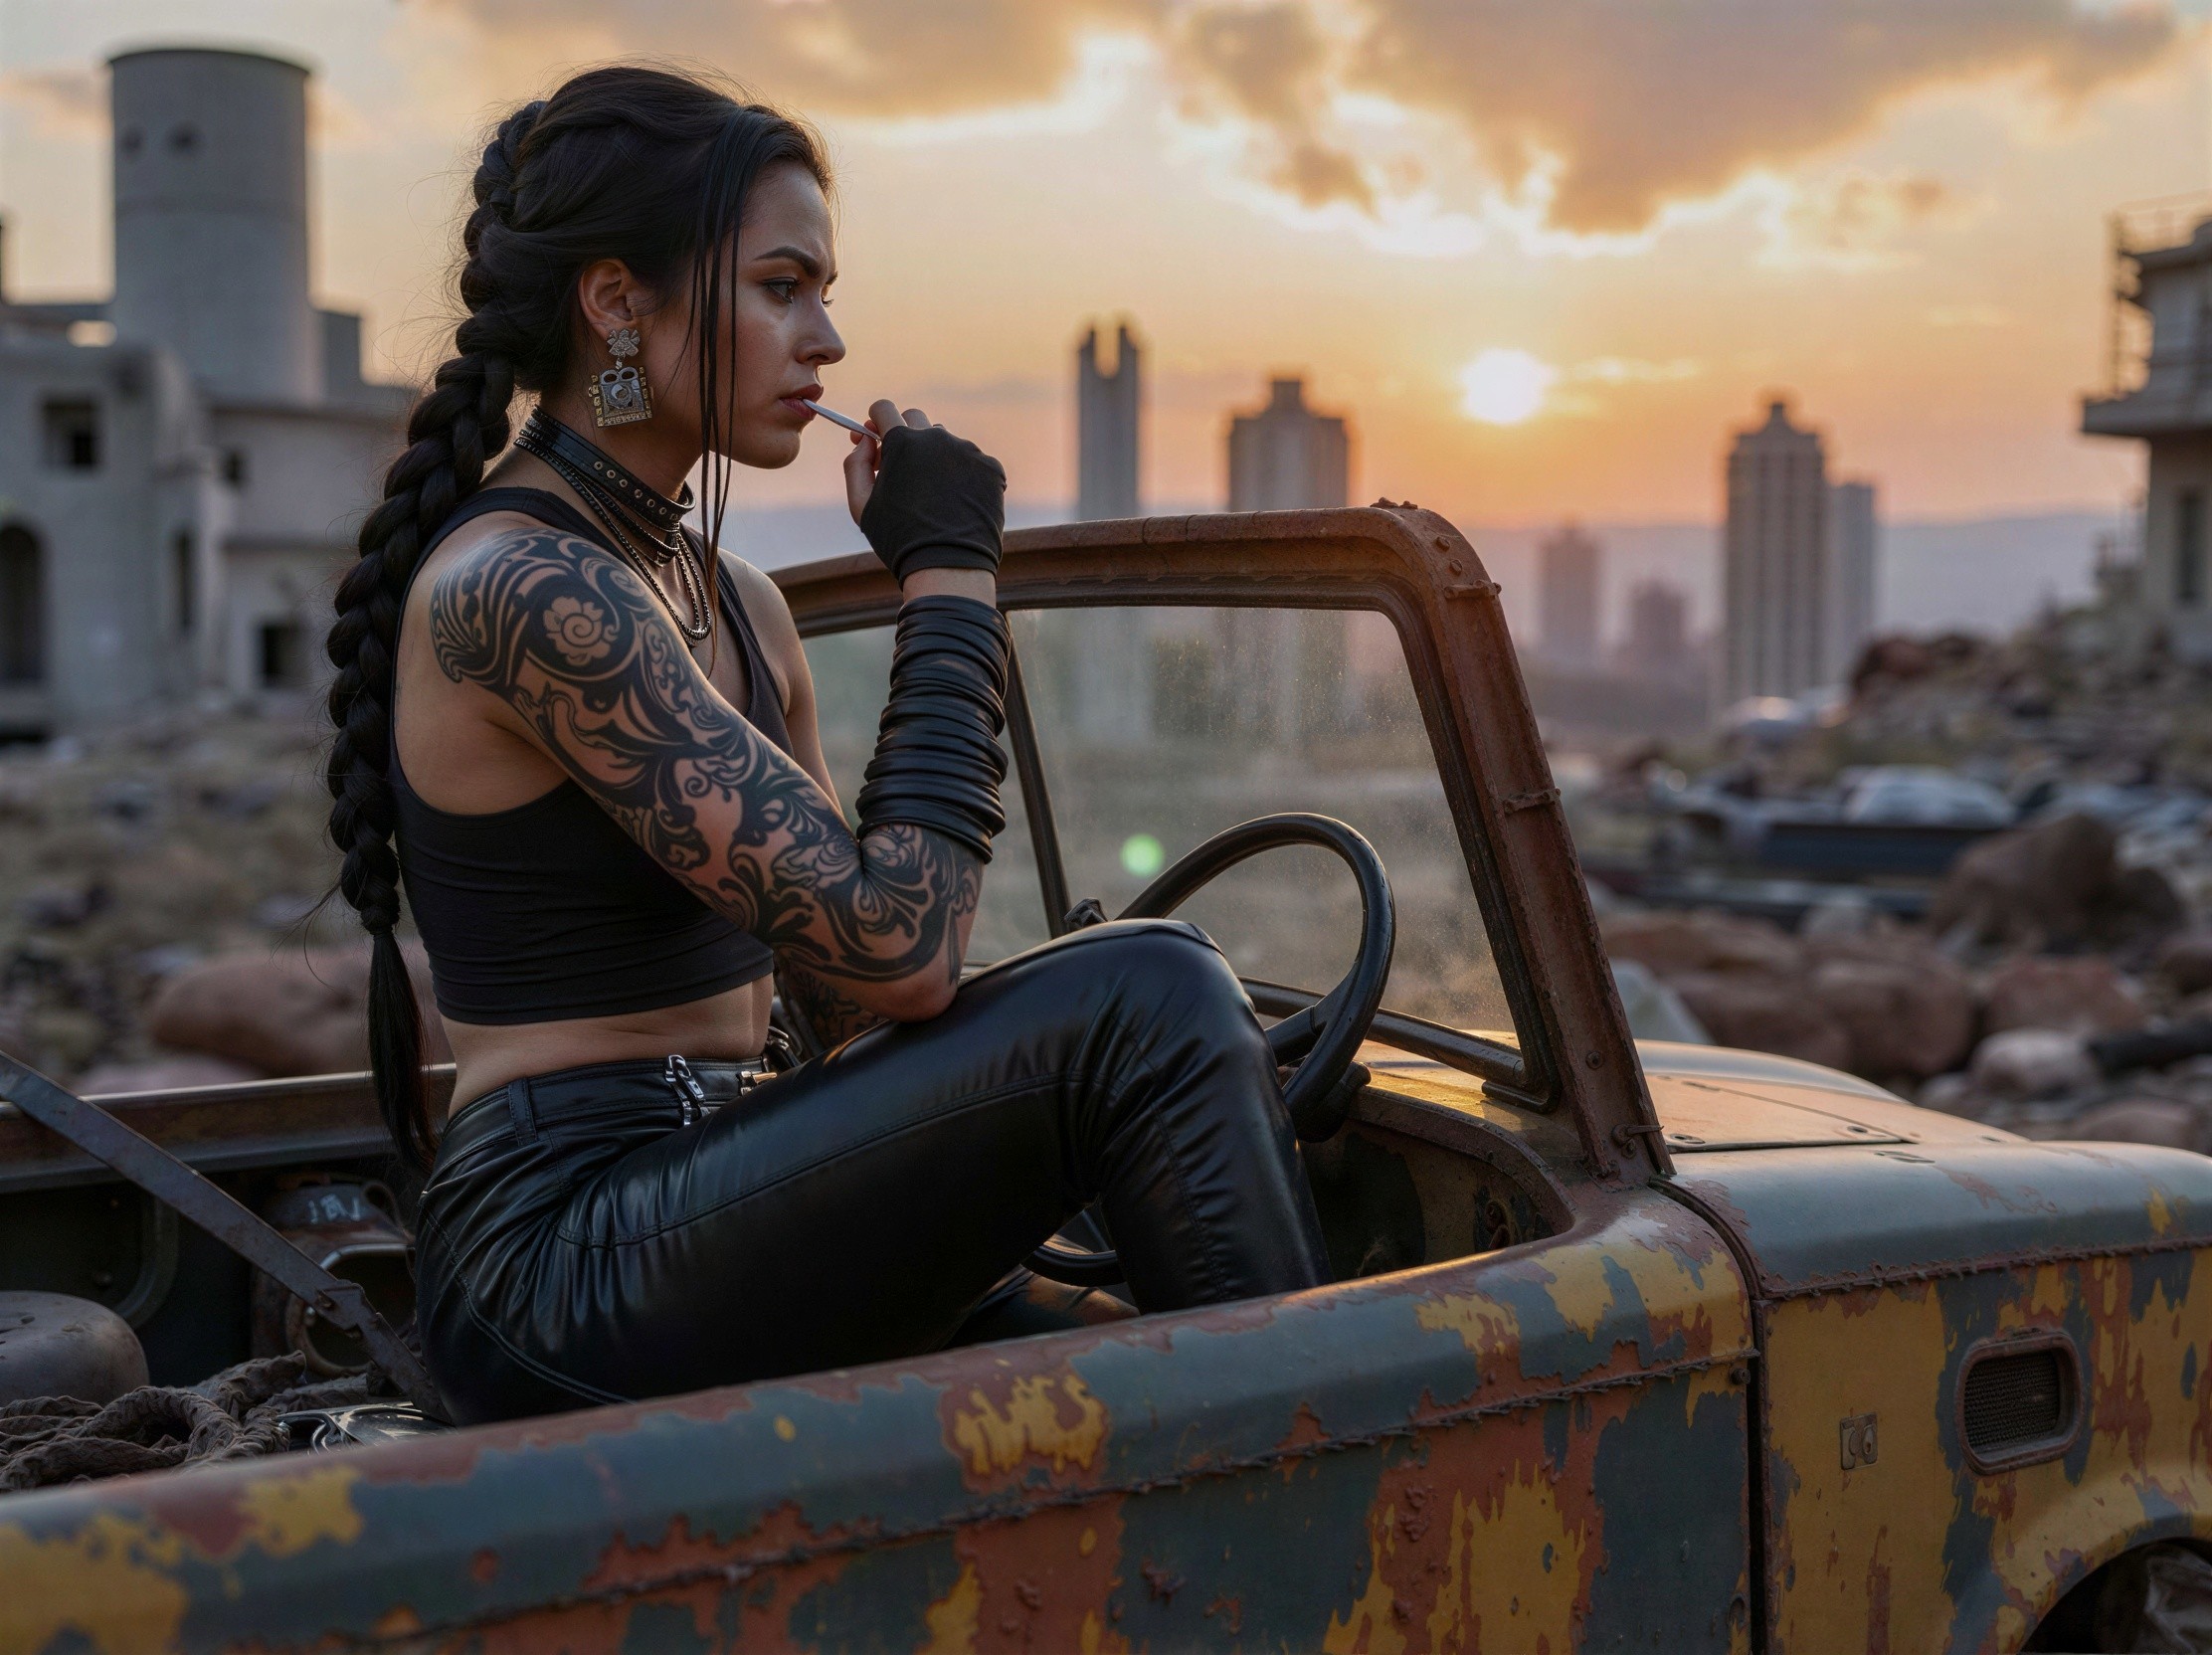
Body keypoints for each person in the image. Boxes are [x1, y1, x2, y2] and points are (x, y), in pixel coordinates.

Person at [322, 65, 1327, 1424]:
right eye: (782, 287)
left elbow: (852, 1007)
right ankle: (1326, 1502)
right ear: (617, 303)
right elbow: (902, 954)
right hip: (563, 1259)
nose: (830, 339)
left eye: (825, 291)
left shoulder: (734, 604)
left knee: (1128, 1249)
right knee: (1150, 998)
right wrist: (951, 578)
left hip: (735, 1189)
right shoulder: (524, 589)